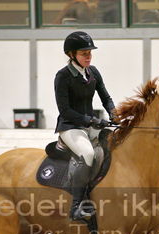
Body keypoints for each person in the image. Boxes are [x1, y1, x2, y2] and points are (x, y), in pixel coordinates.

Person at [54, 31, 116, 221]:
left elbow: (105, 97)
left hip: (90, 126)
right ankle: (76, 207)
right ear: (72, 55)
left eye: (90, 52)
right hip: (70, 127)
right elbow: (65, 110)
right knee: (88, 154)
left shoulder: (93, 72)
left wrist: (114, 112)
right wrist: (91, 120)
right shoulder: (63, 76)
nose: (88, 56)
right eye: (84, 53)